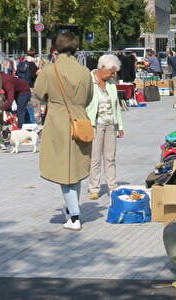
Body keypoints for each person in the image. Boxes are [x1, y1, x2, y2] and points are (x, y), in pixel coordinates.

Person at [35, 30, 96, 231]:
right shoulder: (85, 71)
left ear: (57, 47)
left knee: (63, 170)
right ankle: (71, 210)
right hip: (81, 120)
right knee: (75, 170)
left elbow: (39, 93)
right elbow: (88, 98)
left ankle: (75, 216)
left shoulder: (50, 70)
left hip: (58, 121)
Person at [87, 55, 127, 200]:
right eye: (111, 71)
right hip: (95, 124)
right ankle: (94, 188)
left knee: (110, 157)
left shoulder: (111, 84)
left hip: (110, 123)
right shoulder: (89, 81)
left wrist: (120, 126)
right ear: (102, 67)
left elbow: (116, 106)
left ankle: (112, 186)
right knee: (95, 158)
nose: (113, 74)